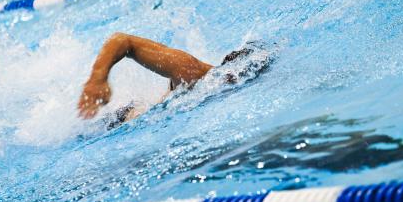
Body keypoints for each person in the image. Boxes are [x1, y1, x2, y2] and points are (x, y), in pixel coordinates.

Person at [78, 32, 270, 124]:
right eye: (231, 78)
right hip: (117, 121)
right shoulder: (191, 71)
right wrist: (97, 79)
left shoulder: (215, 90)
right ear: (224, 68)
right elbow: (122, 40)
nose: (229, 82)